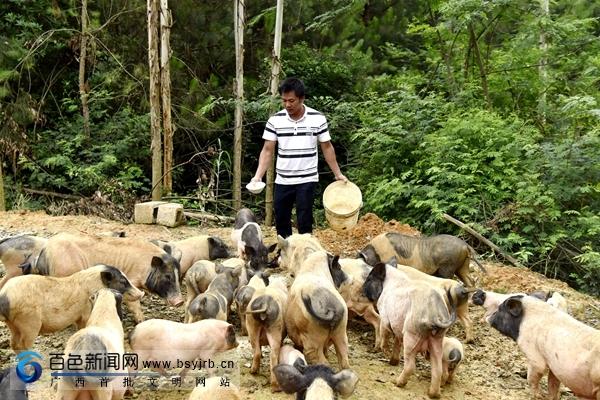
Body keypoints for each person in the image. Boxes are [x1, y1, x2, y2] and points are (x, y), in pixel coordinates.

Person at [251, 77, 347, 238]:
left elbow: (327, 147)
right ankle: (285, 253)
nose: (288, 105)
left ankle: (305, 254)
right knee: (281, 218)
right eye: (284, 101)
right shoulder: (275, 120)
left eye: (292, 101)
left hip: (307, 178)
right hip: (283, 179)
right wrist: (257, 176)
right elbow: (267, 150)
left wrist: (337, 174)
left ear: (302, 98)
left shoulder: (317, 118)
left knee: (304, 220)